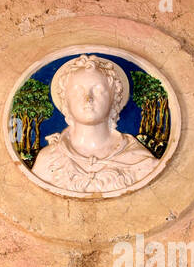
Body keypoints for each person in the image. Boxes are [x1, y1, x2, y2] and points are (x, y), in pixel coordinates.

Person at [30, 54, 158, 194]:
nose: (88, 98)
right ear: (65, 101)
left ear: (114, 99)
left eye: (98, 90)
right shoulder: (48, 161)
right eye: (77, 90)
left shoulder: (139, 160)